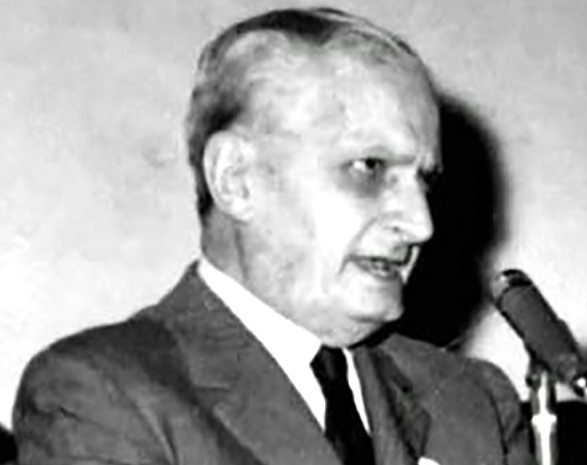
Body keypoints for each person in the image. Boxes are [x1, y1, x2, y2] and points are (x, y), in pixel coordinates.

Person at [12, 7, 534, 465]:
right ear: (236, 179)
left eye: (425, 181)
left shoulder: (474, 403)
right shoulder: (103, 396)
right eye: (369, 167)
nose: (421, 224)